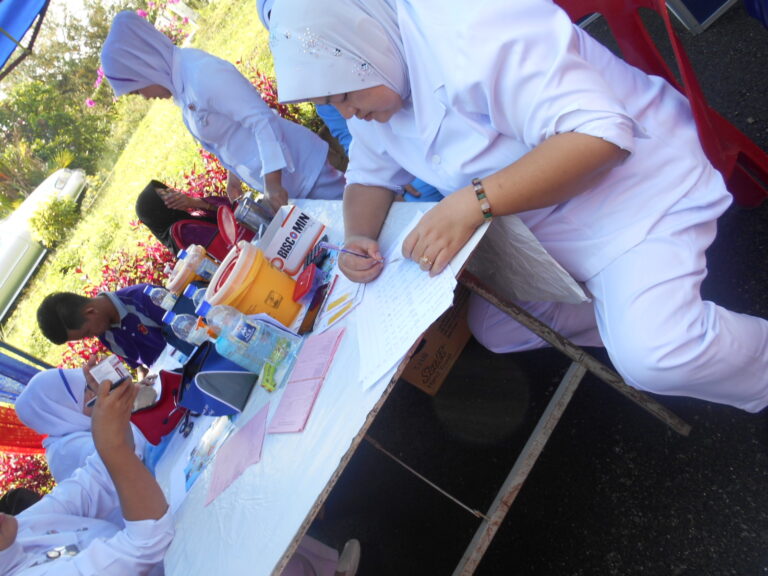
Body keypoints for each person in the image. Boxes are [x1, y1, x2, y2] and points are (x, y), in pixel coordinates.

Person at [268, 0, 768, 412]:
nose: (349, 113)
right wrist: (359, 236)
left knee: (655, 356)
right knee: (497, 328)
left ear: (362, 46)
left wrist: (475, 202)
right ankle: (629, 309)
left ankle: (740, 361)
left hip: (633, 192)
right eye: (332, 105)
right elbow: (367, 176)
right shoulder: (378, 74)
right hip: (545, 229)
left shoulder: (472, 25)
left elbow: (601, 138)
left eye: (344, 95)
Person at [100, 11, 346, 213]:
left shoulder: (200, 74)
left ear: (145, 65)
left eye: (137, 90)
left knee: (359, 223)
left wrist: (272, 183)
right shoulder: (182, 86)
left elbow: (261, 120)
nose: (144, 97)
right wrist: (234, 176)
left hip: (304, 172)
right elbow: (231, 133)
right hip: (289, 184)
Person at [0, 378, 174, 575]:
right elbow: (146, 544)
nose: (88, 394)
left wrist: (116, 413)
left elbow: (93, 483)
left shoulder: (23, 528)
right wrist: (113, 445)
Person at [14, 367, 147, 483]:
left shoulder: (73, 434)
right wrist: (132, 404)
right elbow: (129, 455)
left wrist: (131, 396)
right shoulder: (66, 450)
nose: (95, 393)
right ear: (63, 409)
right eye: (86, 390)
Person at [36, 285, 168, 376]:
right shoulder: (105, 334)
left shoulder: (142, 298)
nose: (91, 337)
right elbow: (141, 367)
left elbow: (181, 325)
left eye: (87, 333)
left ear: (91, 312)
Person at [135, 179, 233, 255]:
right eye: (164, 194)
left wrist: (194, 202)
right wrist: (195, 203)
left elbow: (233, 208)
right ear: (159, 209)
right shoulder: (185, 231)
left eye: (166, 189)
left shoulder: (187, 220)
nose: (171, 191)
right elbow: (233, 232)